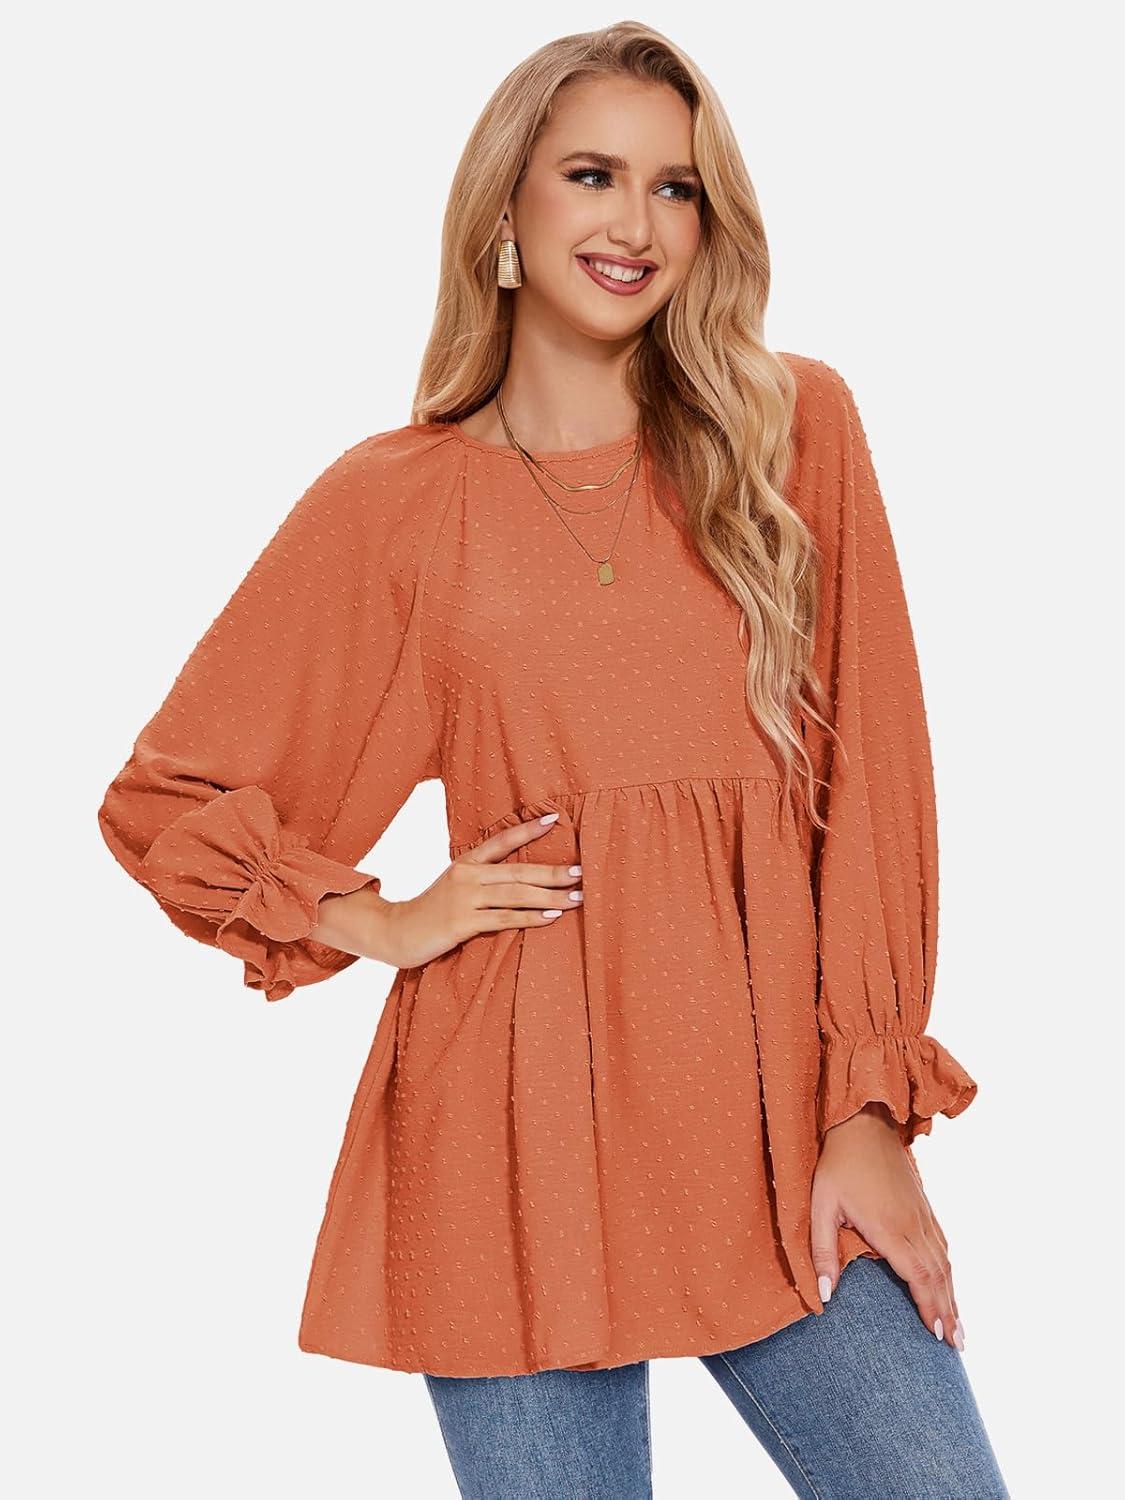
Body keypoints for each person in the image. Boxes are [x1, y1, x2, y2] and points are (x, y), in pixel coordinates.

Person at [96, 20, 1010, 1499]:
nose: (636, 221)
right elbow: (168, 796)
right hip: (508, 1142)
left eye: (675, 187)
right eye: (593, 175)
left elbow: (877, 791)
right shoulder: (397, 503)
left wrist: (867, 1110)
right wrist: (376, 918)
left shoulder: (791, 434)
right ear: (506, 210)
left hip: (778, 1117)